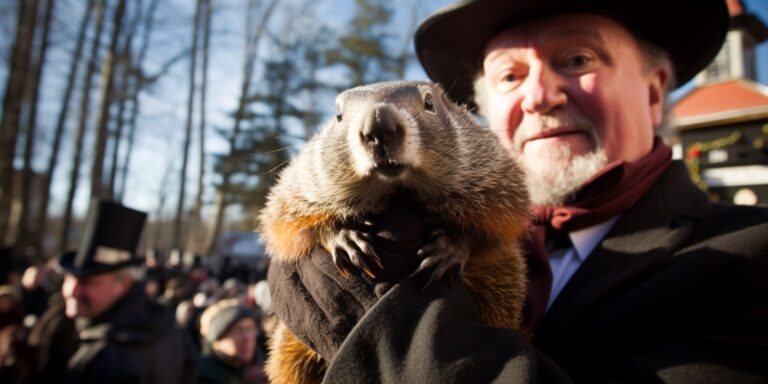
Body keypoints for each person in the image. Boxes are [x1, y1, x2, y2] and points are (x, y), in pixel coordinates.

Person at [266, 0, 768, 382]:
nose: (538, 97)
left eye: (577, 58)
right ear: (479, 111)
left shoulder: (750, 257)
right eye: (509, 75)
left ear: (655, 91)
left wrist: (388, 327)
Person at [57, 199, 198, 384]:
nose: (72, 291)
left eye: (87, 282)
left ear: (124, 283)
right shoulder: (169, 330)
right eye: (68, 279)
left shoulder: (106, 358)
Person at [198, 299, 265, 384]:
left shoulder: (263, 363)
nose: (247, 337)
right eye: (237, 330)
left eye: (250, 328)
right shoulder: (202, 376)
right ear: (216, 339)